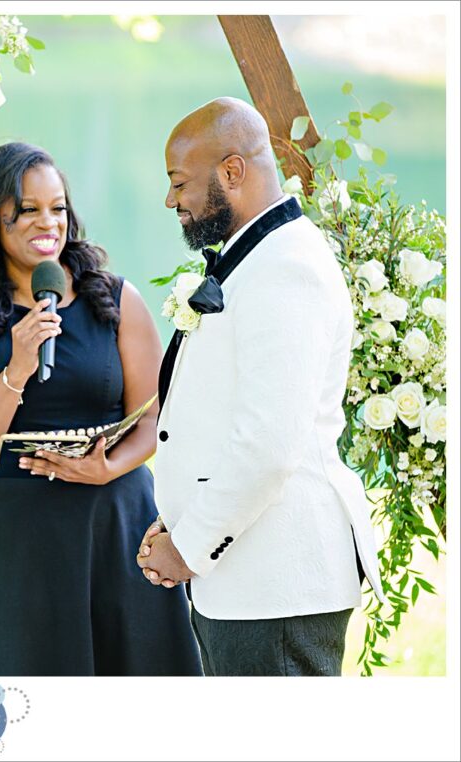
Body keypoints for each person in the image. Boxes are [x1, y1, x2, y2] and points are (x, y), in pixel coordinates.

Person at [0, 142, 202, 676]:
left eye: (56, 207)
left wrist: (109, 468)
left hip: (114, 523)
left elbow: (155, 420)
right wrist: (18, 366)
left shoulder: (116, 299)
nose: (47, 222)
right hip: (11, 531)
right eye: (27, 210)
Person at [137, 97, 385, 676]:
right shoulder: (257, 257)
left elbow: (268, 444)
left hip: (276, 588)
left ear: (231, 172)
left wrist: (190, 544)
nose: (171, 200)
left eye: (179, 183)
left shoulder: (286, 268)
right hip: (244, 581)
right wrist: (177, 519)